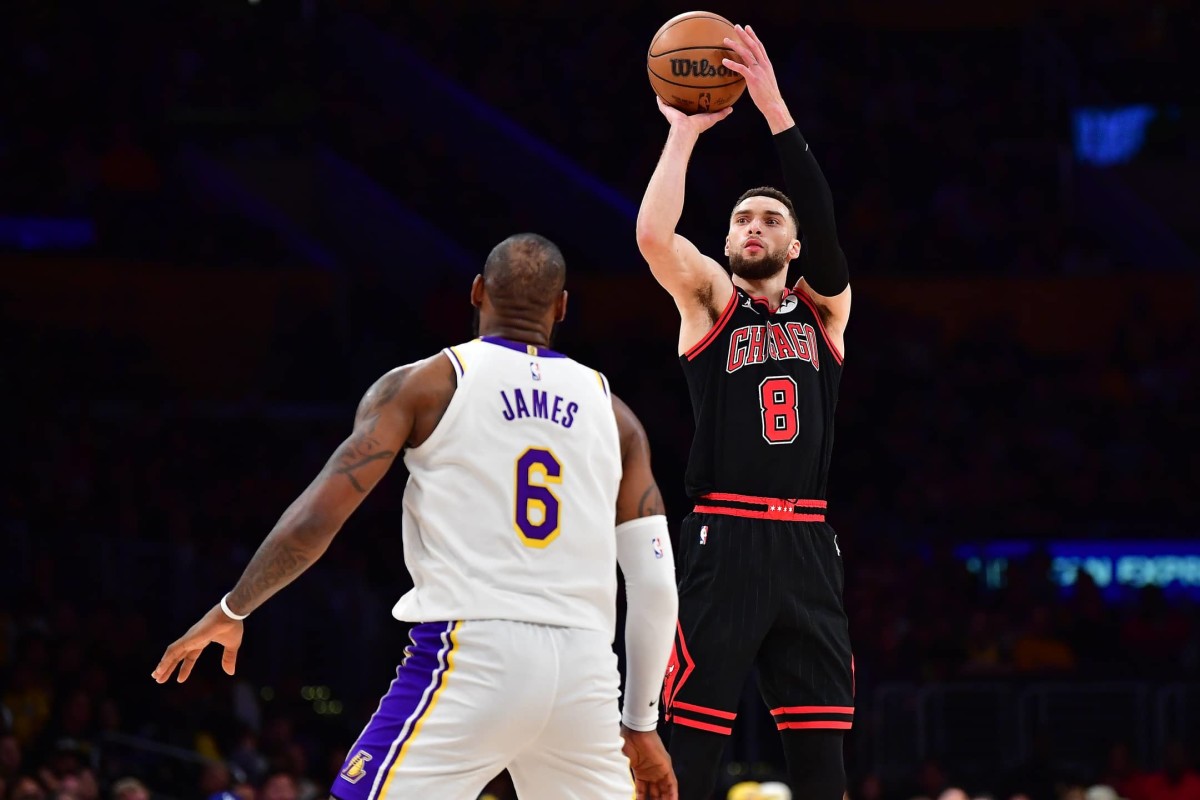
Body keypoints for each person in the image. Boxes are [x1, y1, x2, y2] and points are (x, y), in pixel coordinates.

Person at [151, 233, 680, 800]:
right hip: (585, 673)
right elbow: (654, 584)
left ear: (477, 292)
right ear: (562, 307)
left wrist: (235, 607)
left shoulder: (428, 383)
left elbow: (315, 522)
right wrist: (642, 723)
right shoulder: (616, 416)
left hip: (475, 649)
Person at [635, 24, 853, 800]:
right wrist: (684, 135)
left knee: (821, 762)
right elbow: (655, 236)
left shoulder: (825, 312)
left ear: (794, 246)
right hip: (723, 537)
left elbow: (826, 226)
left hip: (808, 543)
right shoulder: (711, 305)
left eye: (769, 221)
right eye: (740, 221)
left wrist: (772, 106)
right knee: (689, 753)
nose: (752, 227)